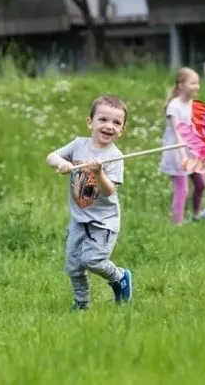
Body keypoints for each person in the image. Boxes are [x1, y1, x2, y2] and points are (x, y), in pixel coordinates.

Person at [46, 94, 133, 311]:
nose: (109, 126)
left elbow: (108, 190)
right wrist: (62, 164)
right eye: (103, 119)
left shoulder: (115, 156)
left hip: (103, 222)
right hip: (79, 219)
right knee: (74, 266)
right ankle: (81, 304)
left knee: (93, 260)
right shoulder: (78, 145)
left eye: (116, 123)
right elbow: (51, 157)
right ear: (90, 122)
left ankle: (120, 277)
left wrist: (99, 172)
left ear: (121, 130)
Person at [160, 67, 205, 226]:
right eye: (192, 83)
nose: (196, 86)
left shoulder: (193, 104)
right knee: (182, 189)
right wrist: (182, 157)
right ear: (181, 85)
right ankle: (178, 223)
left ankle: (197, 214)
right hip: (177, 152)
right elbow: (178, 133)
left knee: (201, 184)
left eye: (197, 83)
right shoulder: (174, 106)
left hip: (192, 152)